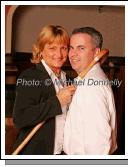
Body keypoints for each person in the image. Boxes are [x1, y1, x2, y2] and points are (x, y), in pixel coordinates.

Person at [12, 25, 76, 155]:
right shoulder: (30, 77)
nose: (59, 54)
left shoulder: (69, 80)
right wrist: (57, 102)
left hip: (61, 153)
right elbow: (20, 118)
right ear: (41, 50)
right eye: (52, 48)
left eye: (63, 48)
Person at [63, 27, 117, 155]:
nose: (73, 54)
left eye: (81, 48)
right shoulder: (90, 79)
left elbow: (99, 143)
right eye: (71, 47)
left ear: (96, 52)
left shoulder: (91, 86)